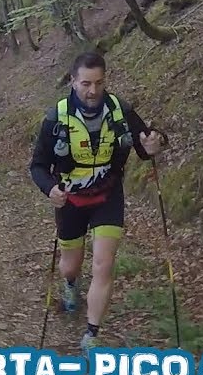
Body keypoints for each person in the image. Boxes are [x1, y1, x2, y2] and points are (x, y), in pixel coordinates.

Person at [29, 51, 167, 352]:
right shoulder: (56, 118)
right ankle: (70, 284)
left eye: (99, 83)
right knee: (71, 265)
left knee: (104, 264)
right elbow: (37, 165)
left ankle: (92, 334)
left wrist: (156, 142)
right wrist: (49, 188)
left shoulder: (120, 111)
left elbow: (147, 144)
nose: (93, 91)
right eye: (86, 84)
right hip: (70, 200)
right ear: (73, 81)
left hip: (108, 195)